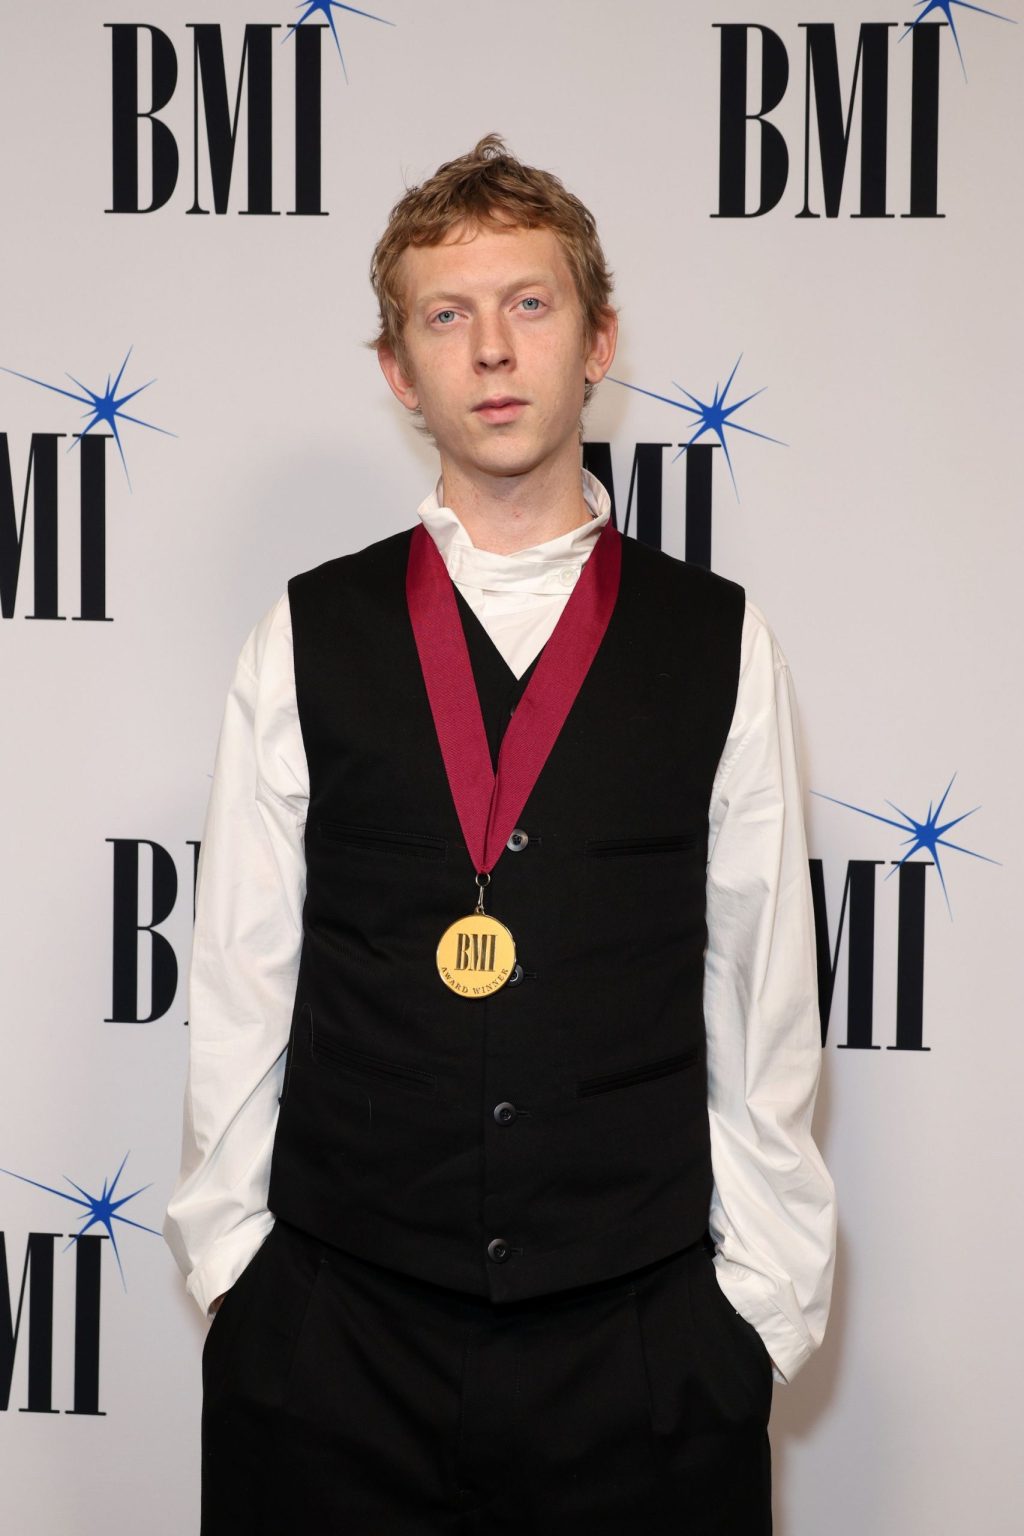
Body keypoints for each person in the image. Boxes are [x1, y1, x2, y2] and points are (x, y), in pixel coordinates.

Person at [164, 134, 836, 1534]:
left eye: (531, 304)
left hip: (640, 1353)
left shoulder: (720, 638)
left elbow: (765, 993)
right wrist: (241, 1278)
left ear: (598, 343)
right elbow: (241, 979)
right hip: (339, 1345)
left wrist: (754, 1321)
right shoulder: (307, 631)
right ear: (399, 371)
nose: (491, 349)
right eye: (445, 315)